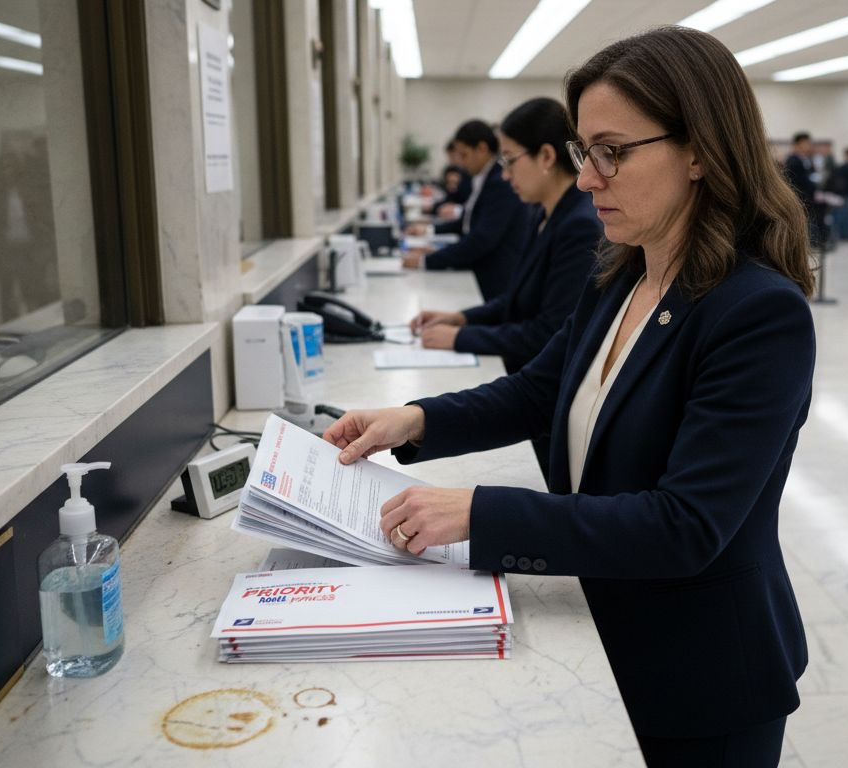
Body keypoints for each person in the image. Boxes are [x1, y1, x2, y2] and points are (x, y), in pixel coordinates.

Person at [323, 26, 815, 768]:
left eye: (612, 152)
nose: (587, 179)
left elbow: (686, 524)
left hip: (702, 670)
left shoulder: (757, 314)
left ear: (700, 151)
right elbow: (538, 391)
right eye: (586, 153)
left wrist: (479, 512)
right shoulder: (620, 274)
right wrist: (415, 420)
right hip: (606, 620)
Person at [409, 97, 601, 477]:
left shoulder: (580, 226)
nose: (505, 174)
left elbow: (547, 333)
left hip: (543, 404)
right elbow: (514, 301)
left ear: (546, 156)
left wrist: (459, 339)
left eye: (510, 160)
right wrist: (461, 317)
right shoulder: (541, 212)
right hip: (521, 387)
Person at [403, 120, 534, 301]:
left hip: (496, 281)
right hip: (482, 272)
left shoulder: (498, 182)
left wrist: (426, 261)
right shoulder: (483, 178)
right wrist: (433, 243)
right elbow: (466, 221)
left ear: (481, 148)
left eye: (464, 155)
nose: (461, 163)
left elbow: (481, 239)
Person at [783, 131, 819, 246]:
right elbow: (793, 181)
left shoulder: (805, 159)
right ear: (799, 144)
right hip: (799, 198)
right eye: (806, 143)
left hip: (806, 197)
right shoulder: (793, 160)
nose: (809, 146)